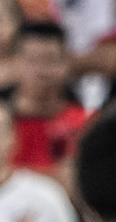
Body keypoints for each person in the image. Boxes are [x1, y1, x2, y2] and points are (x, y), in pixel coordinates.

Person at [7, 22, 88, 176]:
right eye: (32, 60)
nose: (40, 71)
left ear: (66, 64)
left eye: (50, 60)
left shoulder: (84, 125)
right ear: (15, 62)